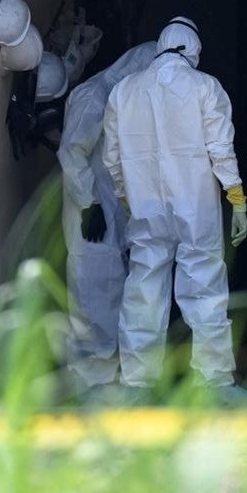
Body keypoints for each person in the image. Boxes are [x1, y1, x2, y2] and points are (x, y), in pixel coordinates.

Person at [102, 17, 247, 404]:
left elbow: (112, 158)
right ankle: (215, 383)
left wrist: (124, 197)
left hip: (146, 208)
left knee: (143, 292)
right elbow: (221, 149)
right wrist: (237, 200)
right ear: (193, 49)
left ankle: (137, 385)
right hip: (196, 209)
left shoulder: (124, 91)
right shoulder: (205, 87)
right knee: (204, 289)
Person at [57, 41, 159, 395]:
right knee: (92, 291)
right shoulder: (95, 96)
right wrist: (89, 204)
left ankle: (106, 378)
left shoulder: (127, 98)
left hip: (112, 213)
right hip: (91, 214)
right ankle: (89, 382)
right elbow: (72, 153)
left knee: (113, 292)